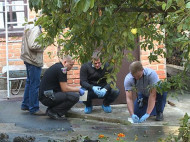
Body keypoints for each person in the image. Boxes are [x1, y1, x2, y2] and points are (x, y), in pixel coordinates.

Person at [39, 55, 85, 120]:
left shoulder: (58, 66)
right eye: (71, 65)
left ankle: (52, 109)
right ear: (65, 62)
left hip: (46, 96)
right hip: (47, 97)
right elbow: (65, 88)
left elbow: (64, 86)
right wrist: (78, 89)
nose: (71, 67)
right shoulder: (62, 69)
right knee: (75, 97)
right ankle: (53, 112)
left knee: (70, 95)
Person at [20, 23, 44, 115]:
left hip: (28, 58)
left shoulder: (29, 25)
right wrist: (44, 44)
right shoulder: (36, 28)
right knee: (34, 84)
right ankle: (34, 108)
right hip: (33, 60)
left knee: (30, 82)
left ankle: (25, 104)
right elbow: (33, 45)